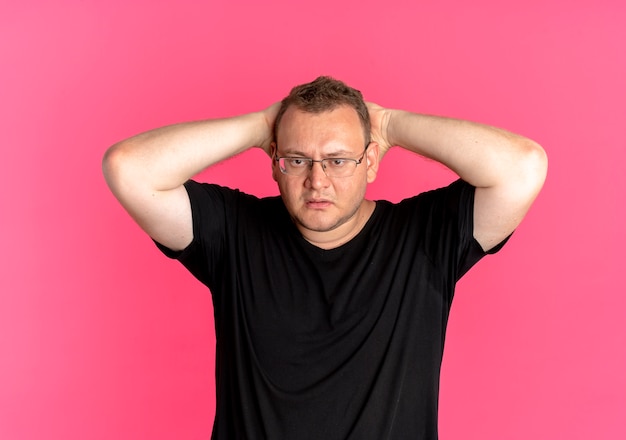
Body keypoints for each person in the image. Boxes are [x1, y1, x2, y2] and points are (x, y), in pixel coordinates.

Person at [102, 76, 547, 439]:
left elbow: (522, 166)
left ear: (370, 162)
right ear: (274, 159)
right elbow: (129, 168)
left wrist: (389, 124)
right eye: (297, 160)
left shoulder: (424, 239)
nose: (317, 182)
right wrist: (261, 125)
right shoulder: (234, 233)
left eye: (338, 161)